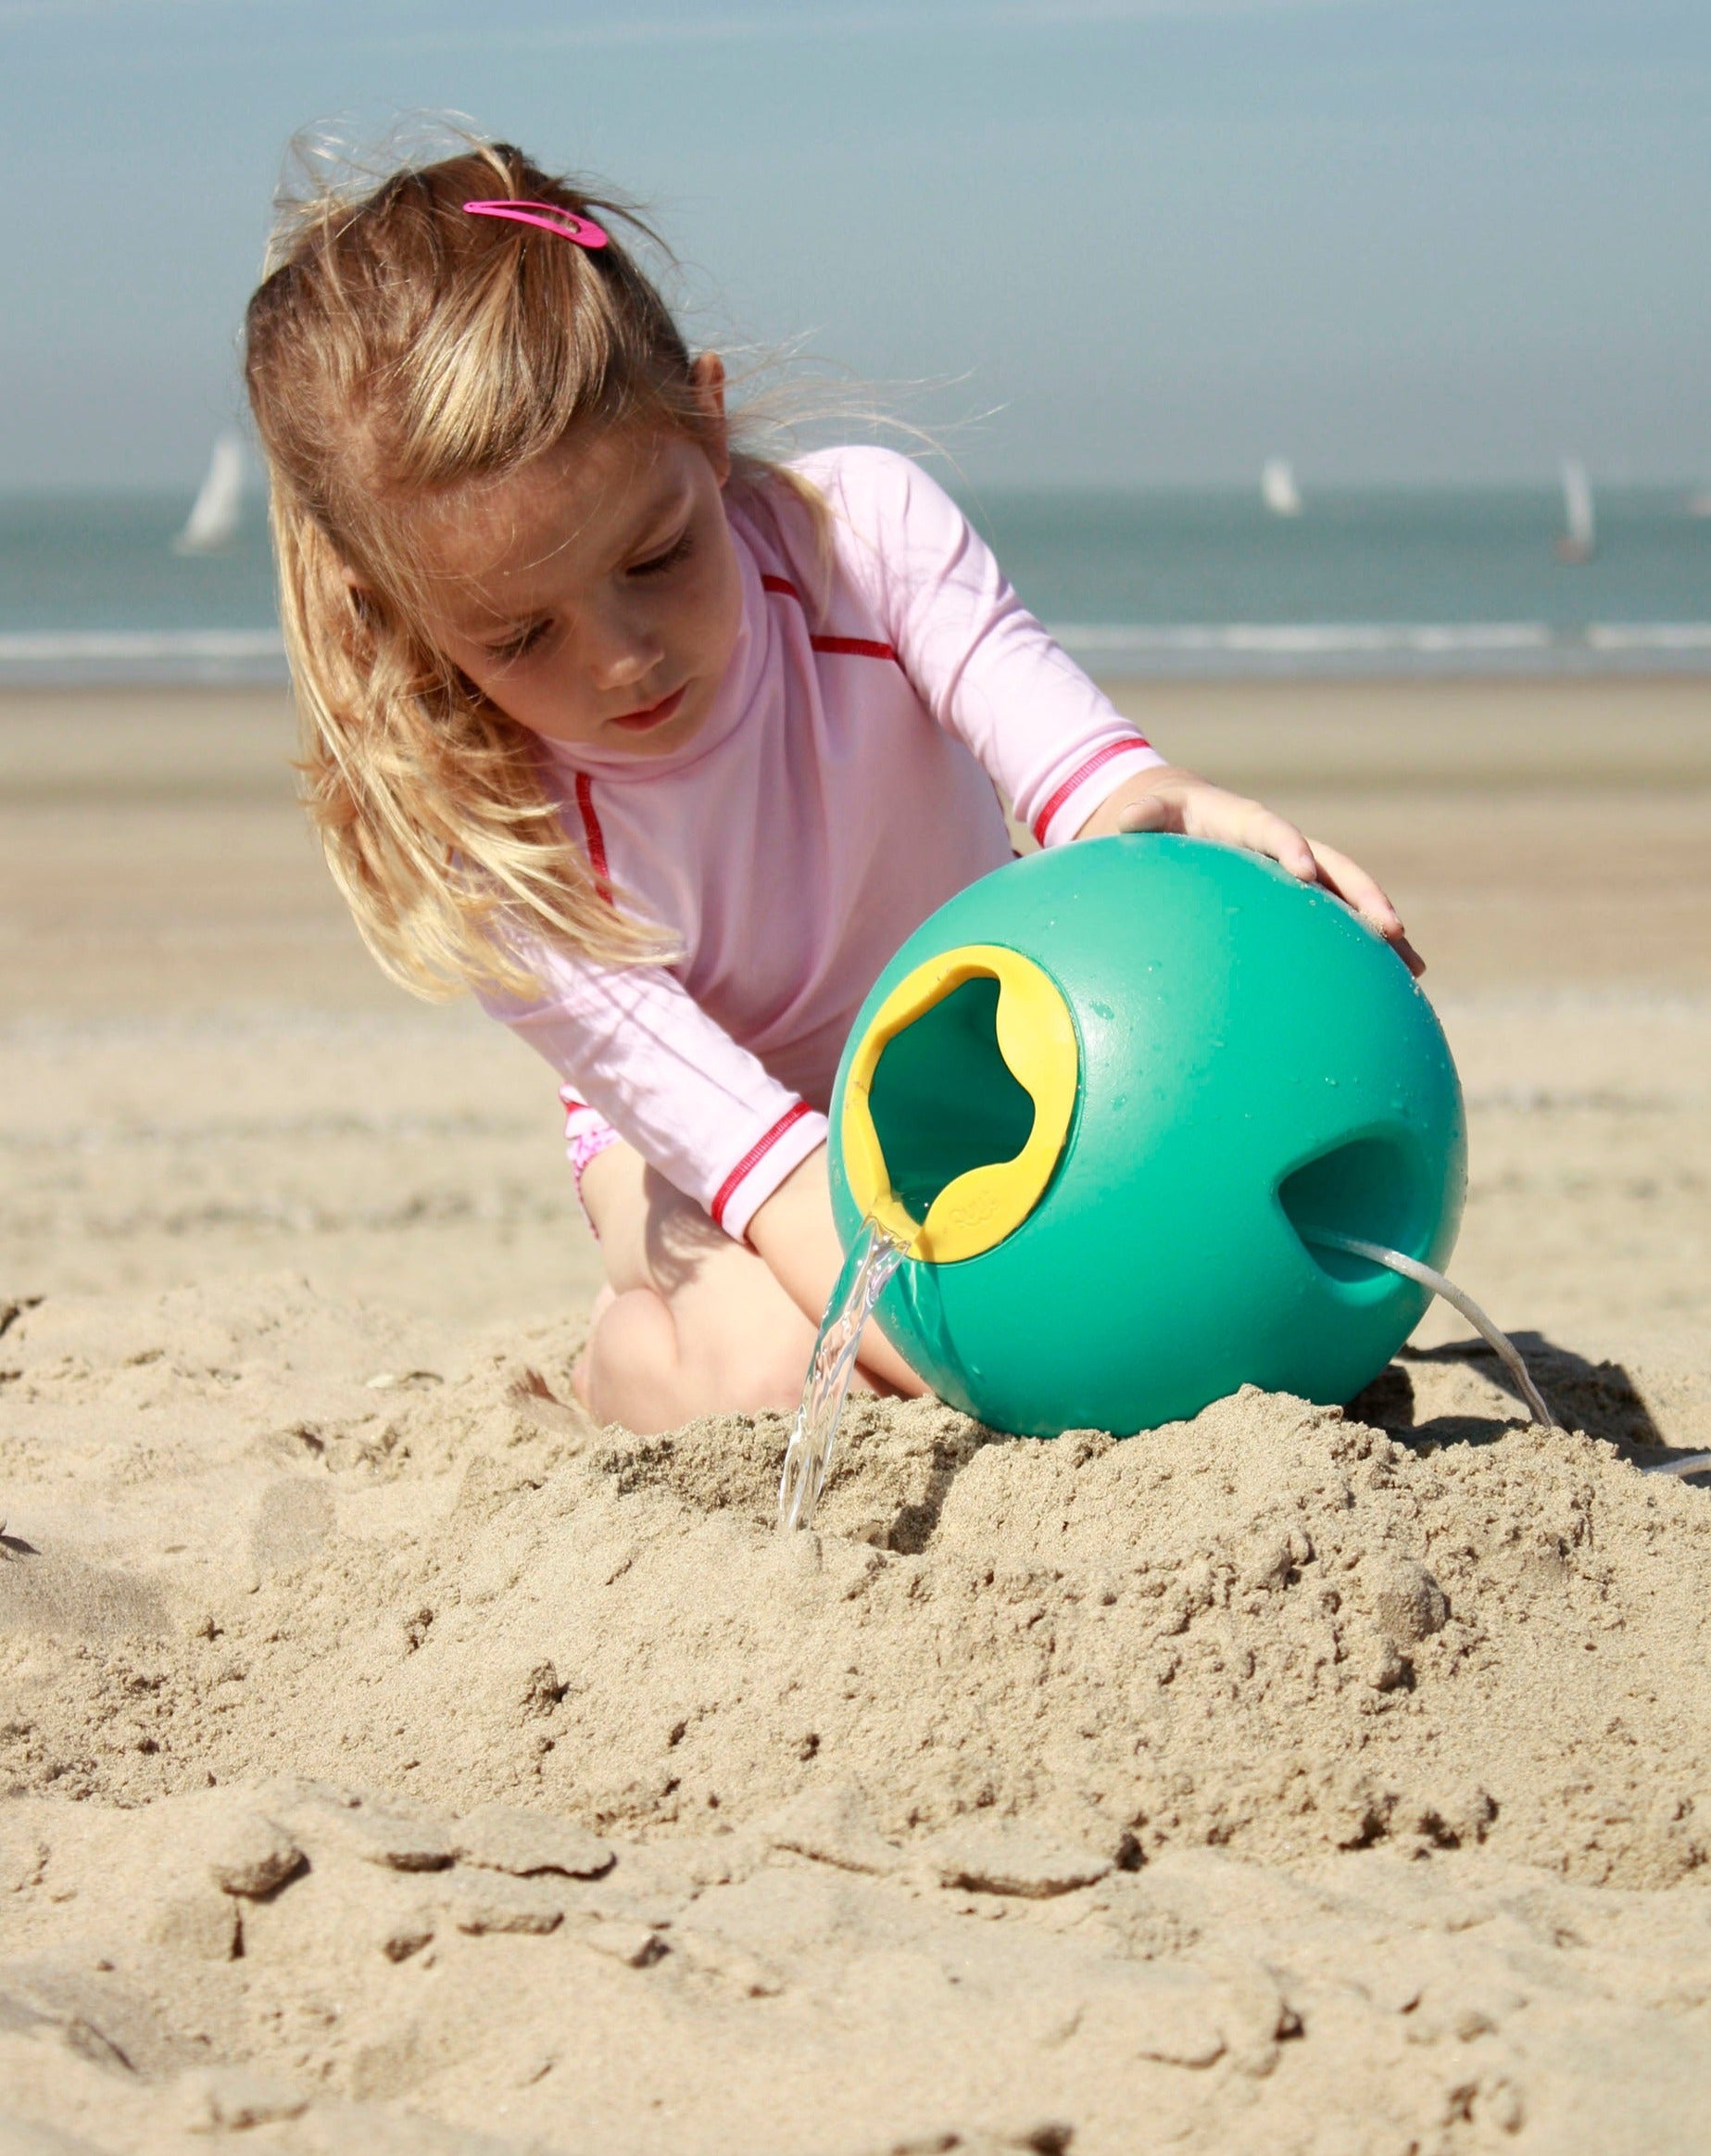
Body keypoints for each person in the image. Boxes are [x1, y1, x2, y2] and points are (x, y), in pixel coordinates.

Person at [245, 140, 1420, 1435]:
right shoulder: (492, 846)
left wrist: (1180, 819)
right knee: (771, 1370)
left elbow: (1088, 785)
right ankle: (621, 1361)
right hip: (699, 1157)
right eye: (520, 637)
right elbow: (769, 1167)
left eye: (657, 556)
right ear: (396, 616)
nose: (623, 655)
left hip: (976, 1056)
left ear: (708, 421)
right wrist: (1012, 1376)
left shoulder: (865, 538)